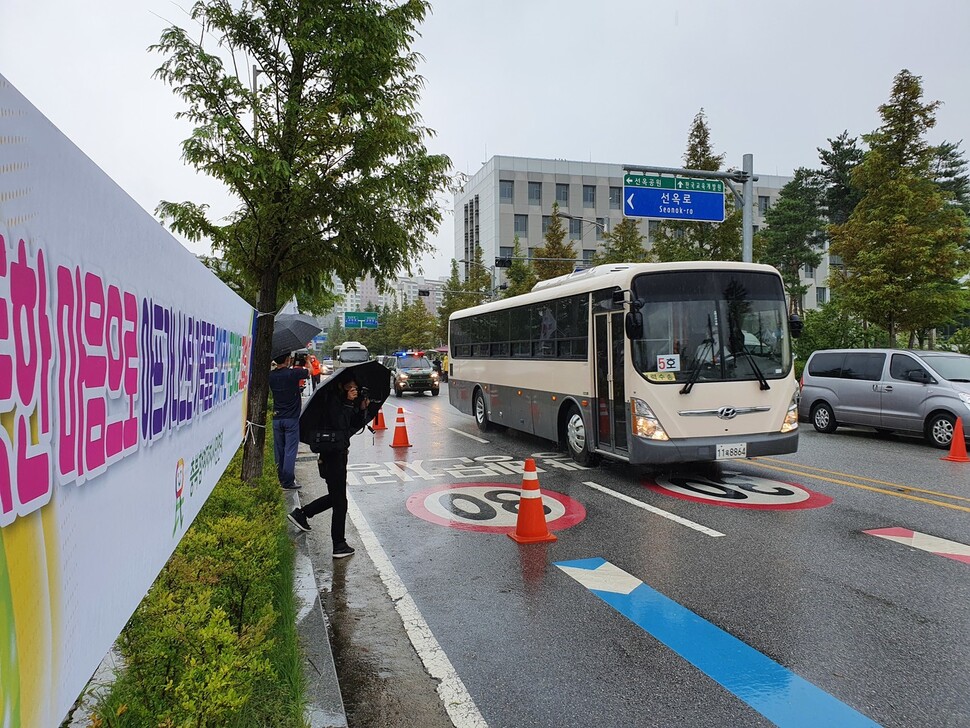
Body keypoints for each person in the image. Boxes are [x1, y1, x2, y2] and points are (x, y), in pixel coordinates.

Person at [287, 377, 370, 559]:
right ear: (341, 387)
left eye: (356, 387)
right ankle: (338, 544)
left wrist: (361, 408)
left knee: (337, 497)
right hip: (331, 455)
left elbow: (351, 426)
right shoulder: (331, 401)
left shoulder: (342, 402)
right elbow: (339, 424)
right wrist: (349, 402)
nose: (354, 390)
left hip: (339, 453)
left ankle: (302, 513)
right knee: (340, 501)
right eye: (351, 387)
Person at [269, 352, 309, 490]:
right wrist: (307, 360)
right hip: (291, 419)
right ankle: (288, 481)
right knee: (290, 450)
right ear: (288, 359)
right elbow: (308, 371)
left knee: (279, 449)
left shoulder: (271, 376)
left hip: (277, 417)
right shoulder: (293, 374)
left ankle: (279, 478)